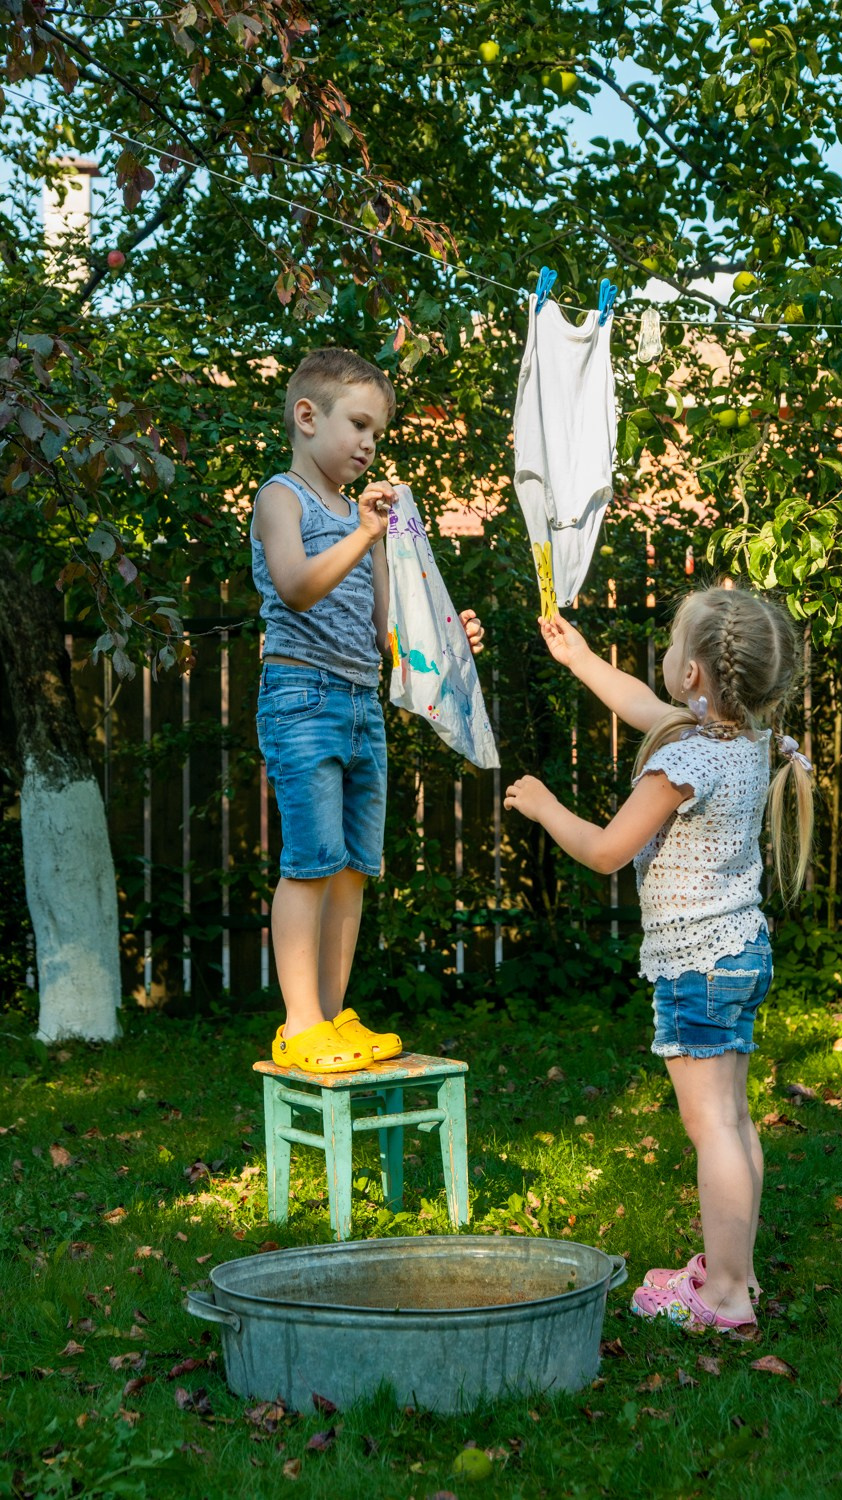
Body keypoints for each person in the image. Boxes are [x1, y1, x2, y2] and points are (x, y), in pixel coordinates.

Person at [504, 585, 813, 1331]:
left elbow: (609, 851)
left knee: (712, 1128)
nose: (665, 659)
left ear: (694, 676)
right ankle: (732, 1273)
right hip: (739, 952)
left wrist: (546, 807)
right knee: (733, 1123)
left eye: (673, 647)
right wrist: (579, 659)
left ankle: (725, 1296)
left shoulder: (684, 758)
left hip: (697, 965)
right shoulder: (741, 739)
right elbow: (641, 703)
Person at [251, 347, 484, 1074]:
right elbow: (293, 586)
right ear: (306, 416)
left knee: (352, 867)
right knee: (311, 862)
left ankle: (328, 1018)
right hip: (302, 694)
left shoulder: (365, 522)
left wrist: (448, 639)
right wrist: (361, 534)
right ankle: (297, 1023)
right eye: (357, 424)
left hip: (359, 700)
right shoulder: (279, 497)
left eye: (377, 432)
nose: (367, 444)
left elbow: (391, 630)